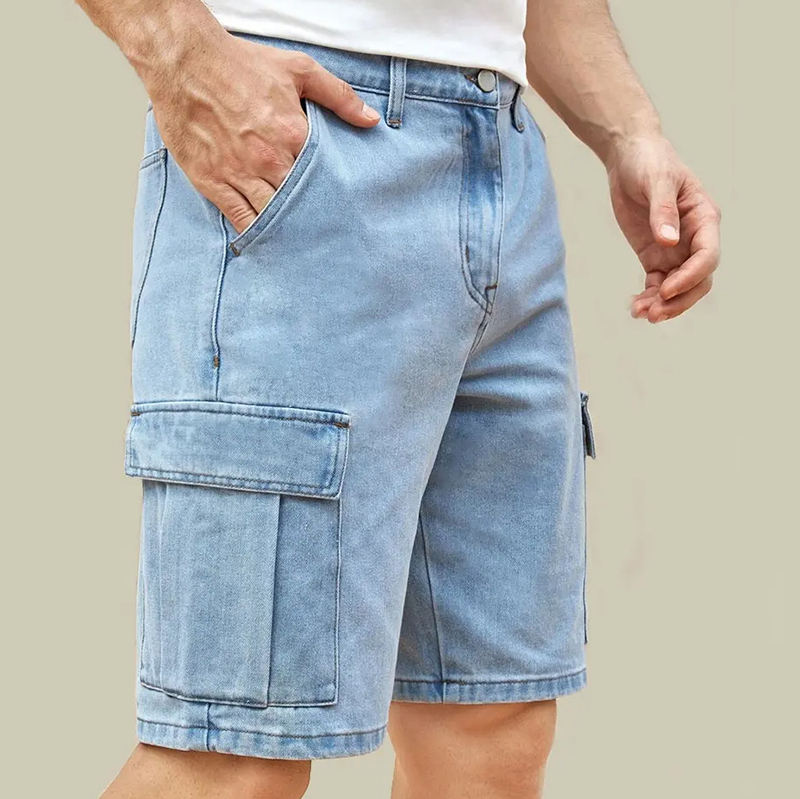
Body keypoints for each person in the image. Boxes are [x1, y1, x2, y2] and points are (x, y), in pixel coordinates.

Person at [75, 1, 721, 797]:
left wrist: (631, 134)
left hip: (505, 163)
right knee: (234, 756)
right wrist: (179, 51)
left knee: (492, 733)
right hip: (296, 148)